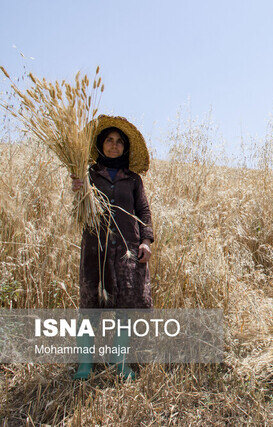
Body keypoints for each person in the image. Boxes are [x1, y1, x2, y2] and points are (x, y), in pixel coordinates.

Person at [71, 115, 153, 380]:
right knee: (90, 304)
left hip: (127, 249)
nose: (114, 145)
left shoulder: (133, 179)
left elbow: (143, 211)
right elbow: (78, 211)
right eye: (109, 140)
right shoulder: (88, 174)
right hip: (96, 247)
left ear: (125, 147)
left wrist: (146, 241)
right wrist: (77, 191)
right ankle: (85, 364)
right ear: (100, 144)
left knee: (124, 309)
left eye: (119, 142)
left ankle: (119, 363)